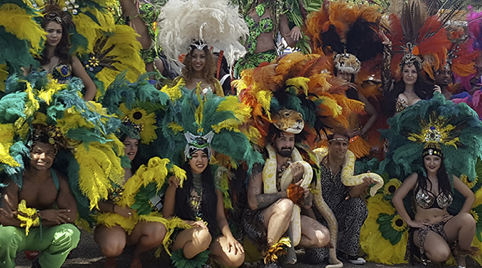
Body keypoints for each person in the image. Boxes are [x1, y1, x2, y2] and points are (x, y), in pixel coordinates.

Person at [244, 109, 330, 265]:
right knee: (286, 204)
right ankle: (270, 258)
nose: (287, 144)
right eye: (283, 139)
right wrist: (286, 194)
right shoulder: (260, 162)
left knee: (323, 236)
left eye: (291, 140)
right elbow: (253, 202)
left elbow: (307, 204)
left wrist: (301, 188)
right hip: (257, 222)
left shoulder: (299, 162)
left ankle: (282, 248)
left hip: (289, 218)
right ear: (274, 140)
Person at [0, 129, 80, 268]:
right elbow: (6, 218)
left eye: (49, 153)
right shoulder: (15, 178)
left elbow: (70, 216)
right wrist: (42, 216)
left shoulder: (59, 179)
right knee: (4, 235)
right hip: (17, 233)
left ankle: (42, 265)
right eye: (37, 152)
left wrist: (32, 220)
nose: (43, 157)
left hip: (41, 233)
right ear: (28, 154)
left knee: (71, 233)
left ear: (54, 156)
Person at [163, 133, 244, 267]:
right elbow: (167, 218)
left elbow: (220, 218)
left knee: (237, 257)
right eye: (195, 156)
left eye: (204, 156)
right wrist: (189, 224)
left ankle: (206, 259)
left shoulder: (213, 185)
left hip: (208, 237)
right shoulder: (177, 183)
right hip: (183, 237)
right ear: (188, 158)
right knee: (202, 236)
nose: (199, 160)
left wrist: (230, 237)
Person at [392, 142, 477, 268]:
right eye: (428, 159)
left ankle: (461, 260)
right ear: (423, 160)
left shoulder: (448, 178)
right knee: (442, 255)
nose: (432, 163)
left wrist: (458, 216)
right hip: (424, 228)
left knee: (468, 219)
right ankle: (426, 252)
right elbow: (396, 198)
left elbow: (471, 196)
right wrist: (410, 222)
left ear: (441, 161)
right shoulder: (416, 178)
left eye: (436, 159)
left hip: (445, 226)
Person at [94, 132, 167, 268]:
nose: (132, 149)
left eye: (135, 145)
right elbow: (93, 203)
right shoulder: (106, 170)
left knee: (159, 229)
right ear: (117, 146)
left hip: (136, 222)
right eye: (127, 144)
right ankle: (111, 257)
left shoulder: (142, 169)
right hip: (112, 222)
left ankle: (137, 255)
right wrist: (116, 209)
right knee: (112, 247)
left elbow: (154, 198)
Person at [306, 130, 375, 265]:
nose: (341, 148)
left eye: (345, 144)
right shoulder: (316, 165)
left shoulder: (348, 166)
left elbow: (352, 194)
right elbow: (306, 201)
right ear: (329, 145)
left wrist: (363, 184)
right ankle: (328, 246)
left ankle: (347, 251)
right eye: (337, 144)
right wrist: (316, 226)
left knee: (358, 205)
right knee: (317, 258)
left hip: (338, 213)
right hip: (317, 217)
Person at [37, 7, 97, 101]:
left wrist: (83, 109)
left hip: (67, 112)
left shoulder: (70, 58)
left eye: (58, 32)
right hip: (38, 110)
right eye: (50, 31)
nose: (54, 35)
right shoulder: (32, 58)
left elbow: (91, 88)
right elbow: (20, 84)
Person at [233, 0, 301, 78]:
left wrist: (297, 28)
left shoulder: (277, 11)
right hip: (247, 64)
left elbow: (290, 42)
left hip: (267, 64)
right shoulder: (246, 9)